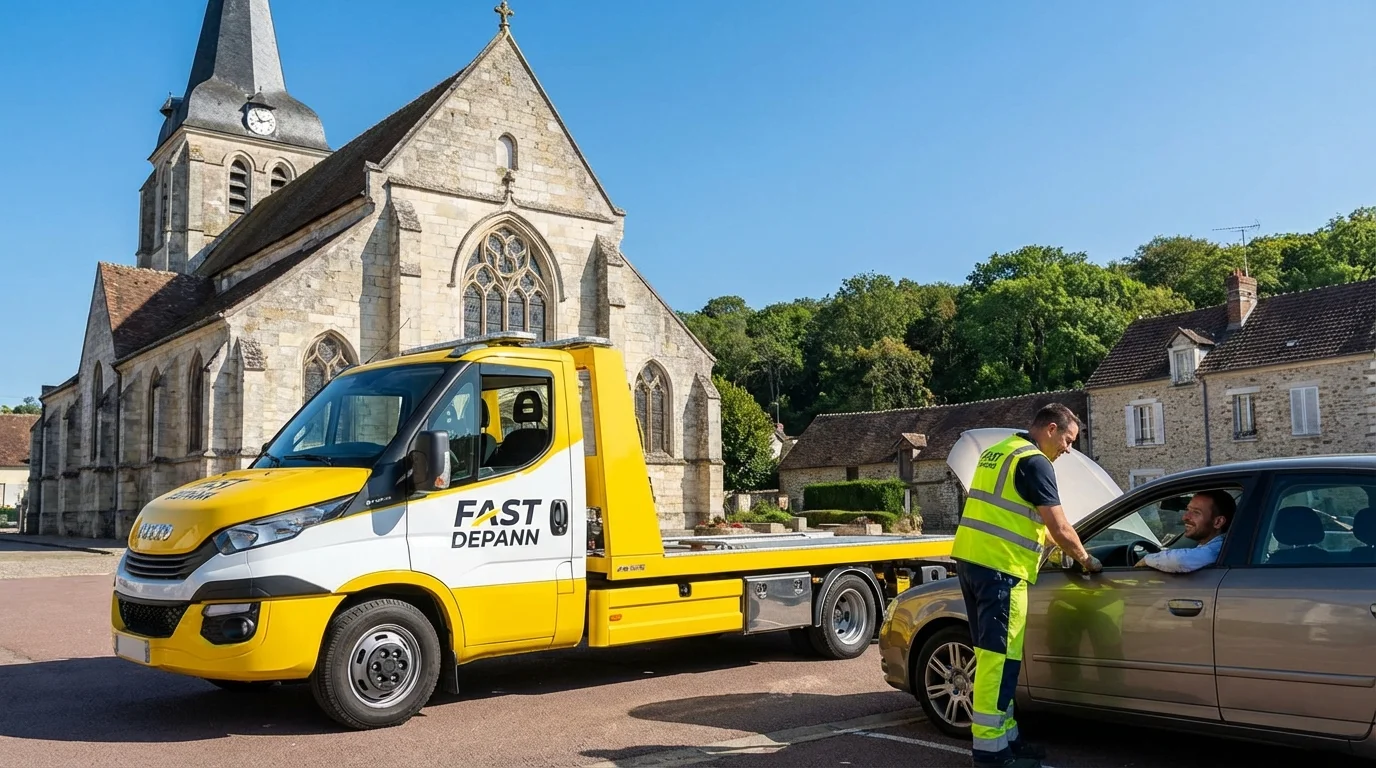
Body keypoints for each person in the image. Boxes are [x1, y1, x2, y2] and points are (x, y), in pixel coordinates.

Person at [950, 403, 1102, 768]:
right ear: (1050, 429)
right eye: (1067, 440)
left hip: (973, 562)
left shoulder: (997, 452)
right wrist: (1087, 560)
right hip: (1002, 570)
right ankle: (991, 752)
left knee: (995, 658)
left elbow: (1009, 513)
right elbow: (1060, 527)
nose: (1068, 449)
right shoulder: (1035, 463)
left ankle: (1009, 738)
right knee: (999, 663)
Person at [1135, 490, 1234, 573]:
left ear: (1218, 522)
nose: (1185, 517)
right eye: (1187, 510)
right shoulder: (1216, 545)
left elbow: (1181, 560)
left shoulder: (1220, 548)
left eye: (1196, 512)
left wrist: (1148, 560)